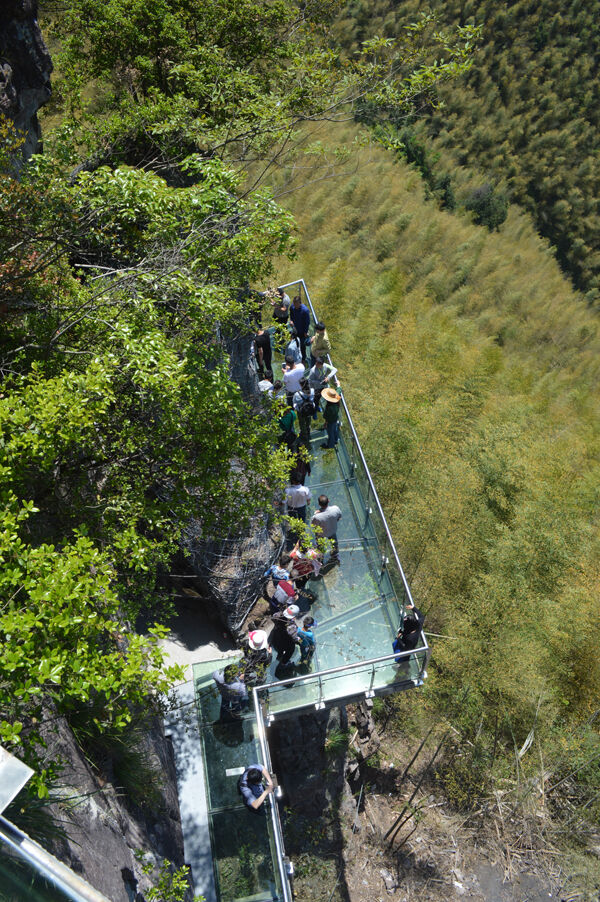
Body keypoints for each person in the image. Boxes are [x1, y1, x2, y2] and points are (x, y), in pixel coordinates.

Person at [311, 495, 342, 563]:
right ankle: (335, 554)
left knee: (320, 545)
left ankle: (320, 557)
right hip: (332, 530)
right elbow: (339, 517)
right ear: (328, 501)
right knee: (334, 544)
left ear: (319, 504)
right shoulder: (336, 509)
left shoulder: (317, 517)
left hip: (321, 534)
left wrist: (316, 513)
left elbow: (313, 525)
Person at [293, 378, 315, 445]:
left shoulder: (297, 394)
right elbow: (312, 400)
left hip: (301, 411)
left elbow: (294, 403)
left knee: (302, 422)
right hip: (310, 409)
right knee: (308, 419)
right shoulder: (312, 390)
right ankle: (308, 429)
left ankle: (304, 434)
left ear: (301, 385)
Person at [289, 295, 310, 362]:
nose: (295, 306)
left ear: (300, 303)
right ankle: (295, 356)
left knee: (302, 346)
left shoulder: (305, 310)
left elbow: (307, 322)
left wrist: (305, 332)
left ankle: (303, 359)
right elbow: (291, 315)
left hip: (302, 332)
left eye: (296, 304)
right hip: (295, 329)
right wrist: (291, 321)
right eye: (294, 304)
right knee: (294, 342)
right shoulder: (292, 307)